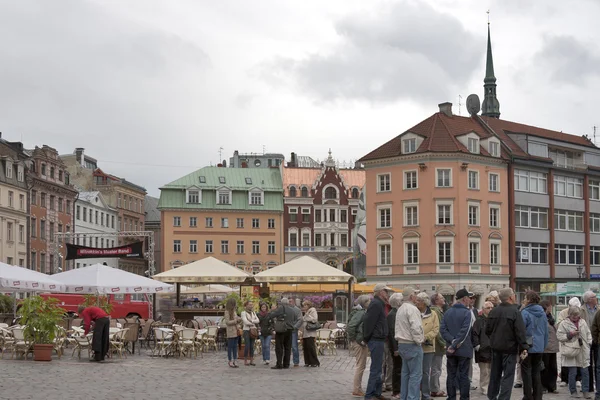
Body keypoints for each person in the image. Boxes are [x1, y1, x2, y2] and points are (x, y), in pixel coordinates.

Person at [486, 287, 529, 400]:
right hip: (510, 349)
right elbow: (520, 332)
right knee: (508, 376)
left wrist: (494, 338)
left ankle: (492, 396)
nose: (515, 296)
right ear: (510, 297)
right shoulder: (515, 312)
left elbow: (487, 330)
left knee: (495, 374)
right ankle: (503, 398)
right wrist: (524, 346)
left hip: (496, 348)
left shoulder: (493, 311)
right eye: (514, 294)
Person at [440, 288, 474, 400]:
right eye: (469, 298)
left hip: (450, 349)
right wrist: (455, 343)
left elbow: (443, 329)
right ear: (464, 299)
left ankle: (451, 397)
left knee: (451, 375)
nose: (470, 300)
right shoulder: (467, 312)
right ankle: (464, 398)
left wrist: (451, 341)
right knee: (464, 376)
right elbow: (464, 331)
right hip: (463, 349)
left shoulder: (447, 312)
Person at [363, 283, 393, 400]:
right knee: (376, 368)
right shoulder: (376, 304)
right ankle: (369, 394)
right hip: (376, 339)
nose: (387, 294)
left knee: (378, 368)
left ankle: (377, 392)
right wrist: (367, 338)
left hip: (379, 339)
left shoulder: (379, 304)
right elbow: (369, 322)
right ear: (381, 292)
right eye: (386, 291)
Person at [557, 306, 593, 399]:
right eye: (573, 315)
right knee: (572, 372)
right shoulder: (564, 323)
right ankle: (573, 391)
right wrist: (570, 334)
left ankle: (586, 391)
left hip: (583, 349)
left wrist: (589, 342)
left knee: (585, 371)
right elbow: (559, 336)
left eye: (576, 315)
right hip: (571, 350)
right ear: (569, 315)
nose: (575, 317)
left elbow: (588, 333)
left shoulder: (583, 322)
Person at [395, 287, 424, 400]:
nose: (417, 297)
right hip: (412, 344)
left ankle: (405, 397)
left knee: (405, 374)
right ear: (411, 296)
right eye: (415, 295)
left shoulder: (401, 308)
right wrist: (419, 340)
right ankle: (412, 398)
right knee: (415, 375)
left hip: (402, 344)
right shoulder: (412, 309)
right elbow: (416, 327)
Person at [520, 290, 549, 400]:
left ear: (529, 300)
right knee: (536, 372)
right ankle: (538, 396)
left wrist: (522, 346)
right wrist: (543, 346)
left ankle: (528, 396)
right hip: (539, 347)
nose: (523, 300)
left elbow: (521, 331)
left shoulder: (525, 312)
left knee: (526, 373)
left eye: (525, 298)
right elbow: (546, 332)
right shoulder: (542, 312)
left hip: (528, 347)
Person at [416, 292, 439, 400]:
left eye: (419, 301)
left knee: (425, 372)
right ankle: (415, 393)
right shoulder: (414, 312)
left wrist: (426, 337)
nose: (417, 302)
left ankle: (425, 395)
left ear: (424, 302)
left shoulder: (433, 314)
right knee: (416, 372)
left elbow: (436, 329)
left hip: (428, 347)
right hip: (415, 346)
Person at [348, 294, 371, 398]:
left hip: (359, 341)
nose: (370, 303)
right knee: (360, 366)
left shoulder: (360, 311)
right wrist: (354, 339)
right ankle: (356, 389)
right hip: (359, 342)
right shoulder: (360, 312)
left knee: (361, 365)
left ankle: (358, 388)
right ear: (364, 303)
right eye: (368, 301)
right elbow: (351, 325)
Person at [268, 297, 298, 369]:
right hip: (290, 330)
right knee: (287, 347)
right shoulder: (292, 310)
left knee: (279, 347)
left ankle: (279, 364)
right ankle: (286, 364)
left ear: (281, 303)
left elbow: (271, 315)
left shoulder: (281, 308)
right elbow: (295, 319)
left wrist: (272, 311)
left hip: (281, 330)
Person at [559, 297, 583, 386]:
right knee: (566, 359)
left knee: (578, 360)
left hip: (578, 341)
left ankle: (578, 379)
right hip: (568, 341)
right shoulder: (563, 313)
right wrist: (570, 331)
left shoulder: (581, 312)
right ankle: (564, 379)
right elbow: (559, 326)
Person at [472, 301, 494, 396]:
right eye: (488, 308)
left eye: (492, 307)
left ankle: (491, 387)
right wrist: (477, 346)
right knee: (485, 371)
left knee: (492, 370)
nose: (490, 309)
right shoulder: (479, 321)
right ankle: (484, 388)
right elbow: (474, 334)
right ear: (483, 309)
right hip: (483, 349)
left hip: (493, 348)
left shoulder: (495, 320)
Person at [539, 300, 559, 394]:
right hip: (545, 347)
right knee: (544, 368)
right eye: (550, 306)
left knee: (553, 368)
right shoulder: (541, 317)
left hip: (553, 347)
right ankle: (543, 386)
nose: (551, 308)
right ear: (546, 307)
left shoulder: (551, 318)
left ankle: (552, 386)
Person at [429, 293, 447, 398]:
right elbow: (439, 329)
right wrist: (443, 343)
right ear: (436, 301)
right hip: (437, 344)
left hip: (435, 343)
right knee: (436, 368)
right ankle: (435, 389)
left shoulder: (436, 310)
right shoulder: (436, 311)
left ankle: (435, 387)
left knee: (435, 367)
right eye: (441, 298)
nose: (443, 299)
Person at [580, 291, 598, 394]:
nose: (596, 298)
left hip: (597, 339)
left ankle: (598, 385)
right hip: (586, 340)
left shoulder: (598, 309)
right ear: (589, 299)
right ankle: (589, 386)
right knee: (588, 363)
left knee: (598, 364)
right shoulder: (581, 310)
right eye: (595, 297)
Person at [387, 293, 404, 399]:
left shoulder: (397, 313)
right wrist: (395, 349)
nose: (403, 302)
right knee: (397, 368)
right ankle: (396, 391)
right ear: (397, 302)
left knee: (400, 368)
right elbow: (392, 333)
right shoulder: (392, 314)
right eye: (401, 300)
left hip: (398, 345)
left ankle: (399, 389)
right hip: (395, 346)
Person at [222, 297, 241, 368]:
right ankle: (230, 360)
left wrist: (239, 320)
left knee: (235, 346)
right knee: (230, 347)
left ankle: (235, 360)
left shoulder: (234, 311)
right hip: (230, 331)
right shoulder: (227, 312)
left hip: (236, 330)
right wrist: (236, 321)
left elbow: (236, 319)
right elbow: (227, 322)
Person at [300, 299, 320, 367]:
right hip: (305, 333)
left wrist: (306, 317)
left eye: (305, 305)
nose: (304, 307)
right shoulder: (306, 312)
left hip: (310, 332)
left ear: (308, 305)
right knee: (305, 347)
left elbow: (314, 319)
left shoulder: (312, 310)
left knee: (311, 347)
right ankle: (307, 361)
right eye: (303, 305)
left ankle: (314, 362)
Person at [241, 300, 260, 366]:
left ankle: (251, 360)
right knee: (247, 345)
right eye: (249, 304)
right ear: (246, 305)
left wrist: (251, 321)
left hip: (253, 330)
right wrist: (253, 323)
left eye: (252, 305)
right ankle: (245, 360)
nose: (251, 306)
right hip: (246, 330)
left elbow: (258, 320)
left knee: (252, 346)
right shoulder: (243, 313)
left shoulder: (253, 313)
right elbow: (245, 321)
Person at [290, 298, 303, 367]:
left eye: (290, 301)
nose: (289, 303)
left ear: (294, 302)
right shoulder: (285, 309)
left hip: (293, 331)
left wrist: (295, 327)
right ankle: (286, 361)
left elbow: (300, 320)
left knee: (294, 346)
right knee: (286, 347)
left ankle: (296, 361)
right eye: (288, 301)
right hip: (286, 330)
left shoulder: (297, 310)